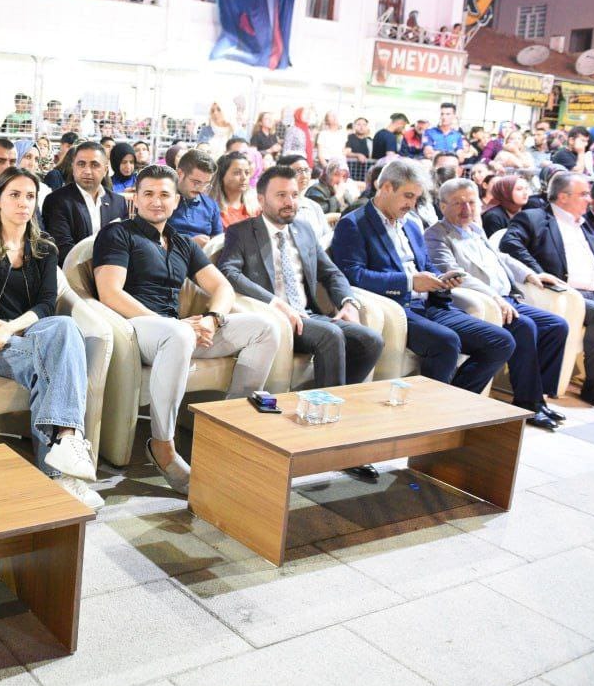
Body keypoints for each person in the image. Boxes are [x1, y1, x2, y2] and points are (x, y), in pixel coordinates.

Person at [94, 165, 278, 494]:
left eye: (164, 194)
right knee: (178, 334)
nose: (156, 201)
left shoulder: (181, 243)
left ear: (176, 201)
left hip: (179, 333)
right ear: (135, 199)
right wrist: (172, 324)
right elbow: (110, 293)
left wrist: (211, 319)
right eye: (148, 194)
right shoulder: (118, 234)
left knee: (264, 328)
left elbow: (222, 287)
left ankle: (228, 431)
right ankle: (162, 445)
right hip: (135, 329)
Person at [0, 167, 101, 508]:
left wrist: (9, 329)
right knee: (52, 362)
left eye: (30, 196)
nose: (23, 203)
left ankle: (64, 446)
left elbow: (47, 304)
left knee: (64, 327)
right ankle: (61, 469)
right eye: (15, 195)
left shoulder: (44, 247)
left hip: (21, 333)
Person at [218, 165, 383, 470]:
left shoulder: (304, 230)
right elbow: (229, 272)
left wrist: (348, 302)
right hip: (278, 320)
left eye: (294, 195)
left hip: (311, 315)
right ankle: (331, 442)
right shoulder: (241, 232)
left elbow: (331, 272)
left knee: (370, 340)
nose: (290, 202)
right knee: (331, 336)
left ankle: (331, 410)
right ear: (261, 199)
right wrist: (276, 303)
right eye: (281, 195)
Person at [330, 159, 513, 394]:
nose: (412, 204)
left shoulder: (412, 224)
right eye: (408, 196)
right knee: (446, 342)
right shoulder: (354, 224)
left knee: (501, 341)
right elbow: (352, 275)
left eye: (416, 198)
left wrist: (442, 279)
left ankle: (453, 400)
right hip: (397, 308)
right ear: (386, 187)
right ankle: (432, 409)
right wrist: (409, 282)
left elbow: (426, 265)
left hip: (431, 304)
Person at [424, 179, 570, 430]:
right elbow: (454, 273)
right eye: (458, 203)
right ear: (443, 205)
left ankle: (539, 397)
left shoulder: (475, 229)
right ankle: (527, 402)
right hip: (482, 302)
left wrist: (529, 274)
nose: (466, 209)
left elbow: (500, 256)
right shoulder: (436, 235)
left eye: (471, 202)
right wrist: (495, 298)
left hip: (508, 298)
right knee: (524, 327)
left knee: (556, 326)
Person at [501, 171, 594, 409]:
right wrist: (538, 272)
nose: (589, 199)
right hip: (563, 294)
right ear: (563, 196)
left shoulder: (583, 225)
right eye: (583, 194)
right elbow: (510, 244)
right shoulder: (534, 217)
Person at [42, 141, 129, 263]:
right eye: (81, 164)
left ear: (105, 170)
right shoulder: (57, 200)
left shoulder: (118, 202)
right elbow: (63, 248)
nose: (87, 171)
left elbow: (123, 245)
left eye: (94, 165)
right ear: (73, 167)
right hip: (71, 271)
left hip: (111, 269)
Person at [166, 149, 224, 246]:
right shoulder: (162, 200)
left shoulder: (211, 206)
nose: (201, 189)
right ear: (179, 174)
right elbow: (151, 240)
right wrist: (189, 243)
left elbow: (218, 241)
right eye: (196, 182)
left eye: (206, 184)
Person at [275, 153, 330, 241]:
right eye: (298, 171)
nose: (304, 175)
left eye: (306, 170)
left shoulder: (314, 206)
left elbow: (326, 237)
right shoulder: (275, 207)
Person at [209, 150, 259, 228]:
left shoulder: (256, 208)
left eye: (247, 172)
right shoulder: (210, 209)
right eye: (237, 173)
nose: (244, 178)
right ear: (222, 176)